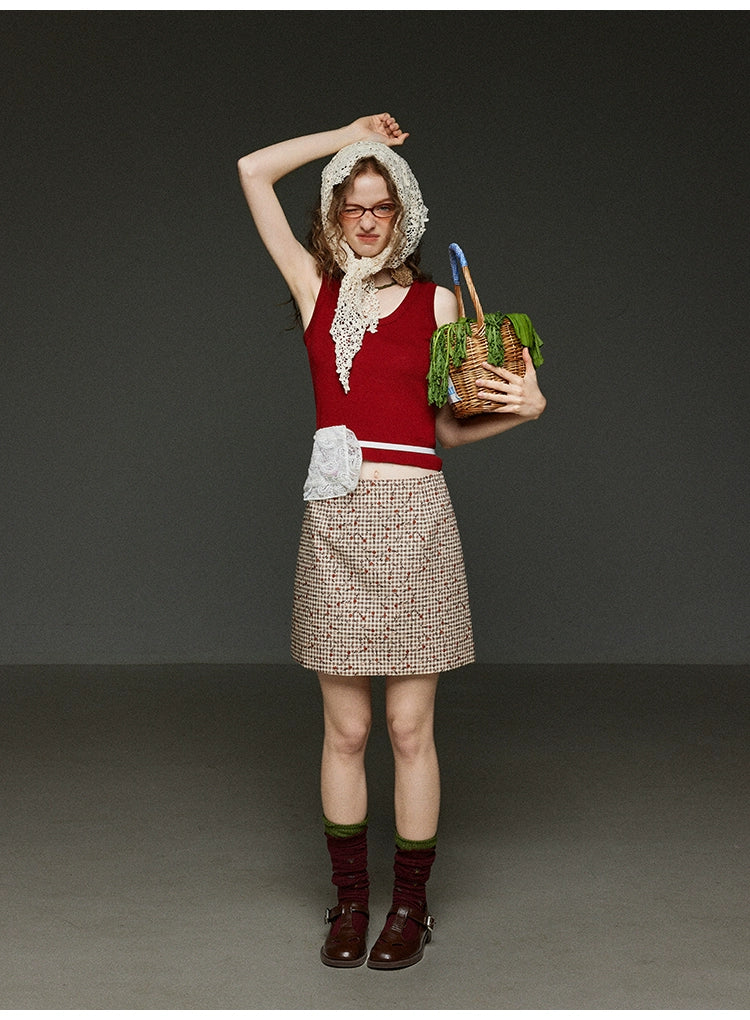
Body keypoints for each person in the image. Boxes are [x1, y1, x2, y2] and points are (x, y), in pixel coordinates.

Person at [237, 113, 546, 971]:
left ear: (402, 213)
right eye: (352, 206)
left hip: (416, 520)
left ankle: (410, 908)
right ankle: (349, 904)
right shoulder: (313, 287)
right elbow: (253, 170)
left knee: (410, 729)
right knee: (345, 731)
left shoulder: (438, 303)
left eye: (380, 206)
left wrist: (525, 410)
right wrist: (347, 135)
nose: (367, 221)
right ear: (333, 215)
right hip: (336, 522)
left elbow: (445, 430)